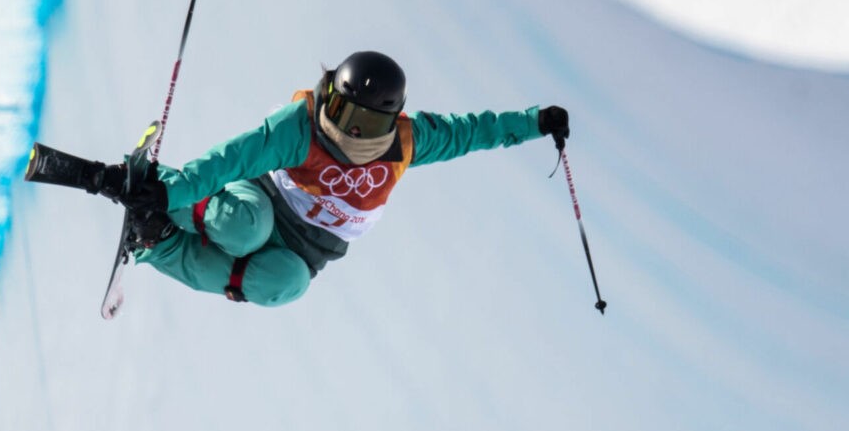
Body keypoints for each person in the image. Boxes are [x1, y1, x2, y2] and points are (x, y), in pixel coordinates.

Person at [79, 50, 569, 306]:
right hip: (264, 202)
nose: (352, 131)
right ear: (329, 96)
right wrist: (171, 187)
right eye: (343, 111)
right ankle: (164, 205)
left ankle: (157, 241)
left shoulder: (405, 142)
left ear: (392, 119)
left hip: (305, 249)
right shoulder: (303, 126)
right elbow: (230, 159)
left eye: (369, 123)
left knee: (285, 285)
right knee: (244, 226)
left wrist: (534, 122)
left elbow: (472, 132)